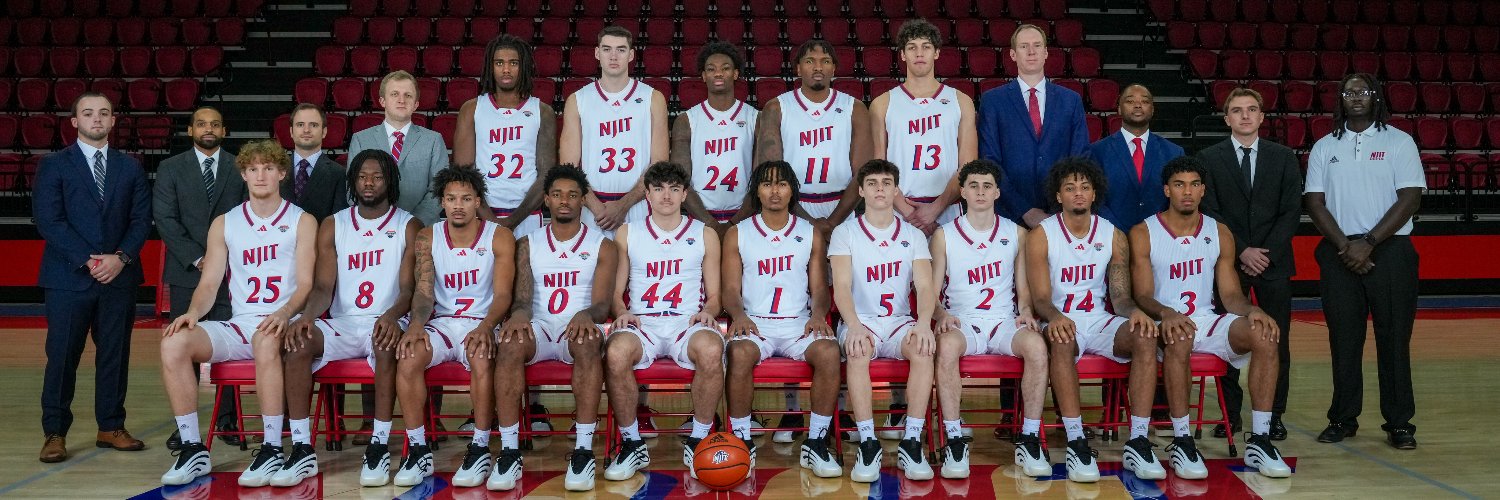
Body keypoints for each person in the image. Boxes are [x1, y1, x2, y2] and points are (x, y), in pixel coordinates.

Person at [158, 139, 317, 487]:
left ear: (281, 173)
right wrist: (193, 314)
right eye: (253, 169)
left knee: (264, 339)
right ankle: (192, 447)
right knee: (173, 343)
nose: (261, 175)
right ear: (243, 174)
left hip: (283, 322)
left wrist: (284, 312)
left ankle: (272, 447)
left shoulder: (302, 221)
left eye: (268, 168)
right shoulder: (225, 223)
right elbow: (209, 283)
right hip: (239, 324)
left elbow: (306, 285)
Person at [1128, 156, 1293, 479]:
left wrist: (1253, 310)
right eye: (1179, 185)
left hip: (1205, 318)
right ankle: (1182, 439)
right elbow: (1143, 296)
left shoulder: (1219, 232)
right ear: (1167, 190)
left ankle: (1259, 438)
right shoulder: (1144, 231)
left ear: (1203, 190)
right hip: (1163, 321)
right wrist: (1168, 313)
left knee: (1264, 334)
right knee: (1180, 334)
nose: (1186, 192)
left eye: (1193, 185)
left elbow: (1230, 296)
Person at [277, 150, 421, 487]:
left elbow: (408, 289)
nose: (369, 183)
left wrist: (390, 316)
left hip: (387, 319)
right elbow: (324, 286)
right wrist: (307, 317)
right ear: (353, 181)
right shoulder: (334, 224)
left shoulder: (408, 224)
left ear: (391, 181)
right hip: (343, 322)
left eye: (377, 177)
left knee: (386, 344)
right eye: (362, 176)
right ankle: (301, 448)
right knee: (297, 344)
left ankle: (379, 443)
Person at [1305, 73, 1423, 450]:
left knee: (1393, 341)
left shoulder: (1399, 142)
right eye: (1349, 92)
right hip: (1340, 252)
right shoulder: (1325, 146)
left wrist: (1369, 242)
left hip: (1390, 252)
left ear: (1376, 98)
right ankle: (1342, 418)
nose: (1356, 97)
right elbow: (1314, 202)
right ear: (1340, 99)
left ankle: (1400, 422)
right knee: (1343, 341)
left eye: (1364, 91)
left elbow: (1409, 199)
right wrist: (1346, 245)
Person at [35, 92, 151, 463]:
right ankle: (54, 432)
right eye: (88, 113)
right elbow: (49, 221)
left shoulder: (130, 166)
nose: (96, 119)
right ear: (74, 122)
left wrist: (119, 258)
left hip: (119, 277)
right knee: (62, 356)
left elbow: (139, 221)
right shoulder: (54, 165)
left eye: (104, 113)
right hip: (68, 277)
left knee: (114, 356)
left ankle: (111, 427)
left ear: (114, 121)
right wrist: (89, 260)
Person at [1025, 157, 1156, 483]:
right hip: (1058, 319)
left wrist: (1135, 312)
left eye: (1085, 187)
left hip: (1098, 320)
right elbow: (1040, 298)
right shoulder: (1041, 235)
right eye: (1070, 188)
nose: (1078, 194)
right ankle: (1076, 440)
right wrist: (1055, 316)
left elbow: (1121, 297)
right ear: (1059, 196)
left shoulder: (1113, 235)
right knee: (1062, 338)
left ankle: (1138, 440)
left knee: (1145, 336)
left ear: (1094, 193)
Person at [491, 165, 618, 492]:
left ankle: (583, 450)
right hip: (542, 326)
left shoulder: (603, 245)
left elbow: (604, 305)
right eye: (558, 194)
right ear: (546, 200)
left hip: (579, 327)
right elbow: (521, 299)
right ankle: (508, 451)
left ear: (582, 201)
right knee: (508, 344)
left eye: (573, 195)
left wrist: (588, 313)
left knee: (589, 343)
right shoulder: (528, 243)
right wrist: (518, 314)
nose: (565, 201)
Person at [391, 166, 515, 487]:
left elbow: (503, 295)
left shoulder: (499, 236)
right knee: (407, 356)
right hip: (443, 324)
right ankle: (418, 448)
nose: (458, 205)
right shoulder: (428, 237)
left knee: (481, 356)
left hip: (482, 322)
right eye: (451, 198)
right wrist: (416, 324)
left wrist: (488, 326)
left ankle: (480, 446)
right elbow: (423, 291)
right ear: (442, 202)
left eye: (465, 198)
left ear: (478, 201)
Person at [601, 162, 723, 482]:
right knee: (615, 352)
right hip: (645, 323)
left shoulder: (704, 233)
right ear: (647, 194)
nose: (666, 195)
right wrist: (621, 311)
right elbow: (615, 293)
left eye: (673, 188)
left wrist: (709, 310)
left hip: (687, 321)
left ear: (685, 194)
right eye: (658, 188)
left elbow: (716, 295)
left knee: (712, 349)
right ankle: (631, 444)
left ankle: (697, 438)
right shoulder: (628, 232)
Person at [929, 159, 1050, 479]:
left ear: (997, 192)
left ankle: (1029, 437)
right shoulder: (944, 235)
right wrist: (941, 314)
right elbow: (932, 290)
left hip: (1002, 320)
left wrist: (1025, 312)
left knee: (1037, 347)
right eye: (973, 186)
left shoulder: (1018, 233)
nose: (980, 191)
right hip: (963, 320)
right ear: (963, 193)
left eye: (986, 186)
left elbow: (1023, 290)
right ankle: (954, 437)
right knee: (947, 348)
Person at [721, 160, 842, 478]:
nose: (774, 191)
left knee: (829, 351)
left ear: (792, 190)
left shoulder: (810, 231)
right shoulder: (738, 233)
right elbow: (730, 290)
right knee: (739, 352)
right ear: (756, 191)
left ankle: (816, 442)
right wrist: (738, 315)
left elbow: (819, 287)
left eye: (782, 184)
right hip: (755, 321)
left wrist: (818, 315)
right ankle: (741, 441)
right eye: (766, 184)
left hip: (797, 322)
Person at [1198, 88, 1301, 440]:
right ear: (1226, 118)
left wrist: (1263, 253)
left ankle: (1273, 415)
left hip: (1274, 263)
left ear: (1261, 117)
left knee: (1277, 340)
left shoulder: (1284, 156)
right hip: (1228, 262)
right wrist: (1242, 250)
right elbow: (1209, 210)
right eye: (1237, 110)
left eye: (1252, 109)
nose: (1245, 116)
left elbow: (1291, 211)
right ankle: (1230, 416)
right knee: (1227, 340)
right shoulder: (1209, 158)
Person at [830, 159, 938, 482]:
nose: (880, 188)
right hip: (860, 318)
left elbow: (925, 286)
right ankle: (868, 442)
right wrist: (854, 326)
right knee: (859, 349)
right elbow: (842, 289)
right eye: (873, 182)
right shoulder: (844, 232)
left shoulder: (913, 236)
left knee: (923, 348)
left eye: (887, 183)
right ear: (861, 190)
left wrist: (923, 324)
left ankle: (911, 441)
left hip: (898, 321)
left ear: (895, 190)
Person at [153, 106, 245, 450]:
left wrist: (222, 260)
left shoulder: (240, 168)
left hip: (232, 276)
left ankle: (228, 421)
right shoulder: (170, 168)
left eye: (215, 125)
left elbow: (247, 216)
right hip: (186, 274)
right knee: (182, 351)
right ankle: (185, 426)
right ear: (191, 130)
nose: (209, 129)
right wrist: (201, 258)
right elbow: (165, 218)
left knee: (230, 351)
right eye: (202, 124)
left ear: (224, 131)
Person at [751, 39, 873, 235]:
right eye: (809, 61)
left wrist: (833, 222)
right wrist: (808, 221)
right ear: (798, 69)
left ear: (833, 68)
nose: (818, 67)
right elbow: (769, 173)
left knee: (838, 266)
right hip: (791, 207)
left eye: (825, 61)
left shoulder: (855, 108)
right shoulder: (776, 107)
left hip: (841, 206)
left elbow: (863, 172)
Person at [559, 25, 670, 235]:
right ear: (597, 53)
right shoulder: (578, 100)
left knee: (637, 268)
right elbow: (569, 167)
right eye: (607, 49)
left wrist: (624, 205)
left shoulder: (653, 98)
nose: (613, 56)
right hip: (593, 208)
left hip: (639, 205)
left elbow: (659, 164)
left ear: (631, 55)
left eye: (620, 49)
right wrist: (597, 207)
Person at [978, 24, 1090, 229]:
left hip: (1061, 214)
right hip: (1008, 216)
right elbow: (990, 161)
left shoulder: (1071, 100)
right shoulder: (993, 100)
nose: (1031, 51)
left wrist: (1060, 207)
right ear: (1012, 54)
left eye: (1037, 45)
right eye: (1024, 46)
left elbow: (1080, 158)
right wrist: (1024, 210)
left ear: (1046, 52)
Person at [871, 18, 978, 234]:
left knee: (946, 269)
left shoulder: (961, 101)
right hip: (898, 209)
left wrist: (936, 208)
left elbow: (967, 166)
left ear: (936, 52)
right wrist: (909, 212)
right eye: (912, 47)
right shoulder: (882, 103)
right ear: (902, 54)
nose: (919, 53)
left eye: (926, 47)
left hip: (948, 208)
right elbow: (878, 166)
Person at [453, 34, 557, 240]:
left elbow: (546, 173)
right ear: (491, 67)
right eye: (499, 63)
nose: (506, 69)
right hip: (481, 213)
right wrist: (490, 218)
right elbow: (464, 172)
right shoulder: (472, 109)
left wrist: (513, 220)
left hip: (528, 213)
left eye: (513, 63)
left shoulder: (542, 111)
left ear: (523, 67)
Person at [674, 41, 758, 234]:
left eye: (725, 68)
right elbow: (681, 179)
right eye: (711, 69)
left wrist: (734, 223)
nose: (718, 73)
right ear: (704, 76)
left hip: (744, 216)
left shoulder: (755, 117)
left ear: (736, 74)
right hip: (699, 218)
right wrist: (710, 224)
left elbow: (760, 178)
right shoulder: (686, 120)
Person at [351, 71, 446, 225]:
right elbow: (352, 189)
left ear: (416, 104)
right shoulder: (361, 139)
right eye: (394, 94)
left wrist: (412, 223)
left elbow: (439, 190)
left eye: (408, 95)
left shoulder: (434, 140)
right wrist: (379, 221)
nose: (401, 100)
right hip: (373, 228)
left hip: (421, 228)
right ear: (382, 101)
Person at [1088, 84, 1184, 231]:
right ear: (1119, 108)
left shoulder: (1173, 152)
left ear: (1152, 110)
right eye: (1130, 101)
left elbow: (1178, 198)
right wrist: (1116, 230)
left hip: (1161, 235)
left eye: (1145, 101)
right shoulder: (1097, 151)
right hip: (1111, 236)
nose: (1138, 105)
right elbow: (1094, 197)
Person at [284, 103, 350, 221]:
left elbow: (339, 222)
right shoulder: (275, 170)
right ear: (291, 131)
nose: (306, 130)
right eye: (300, 125)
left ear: (324, 132)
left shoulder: (339, 174)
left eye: (313, 125)